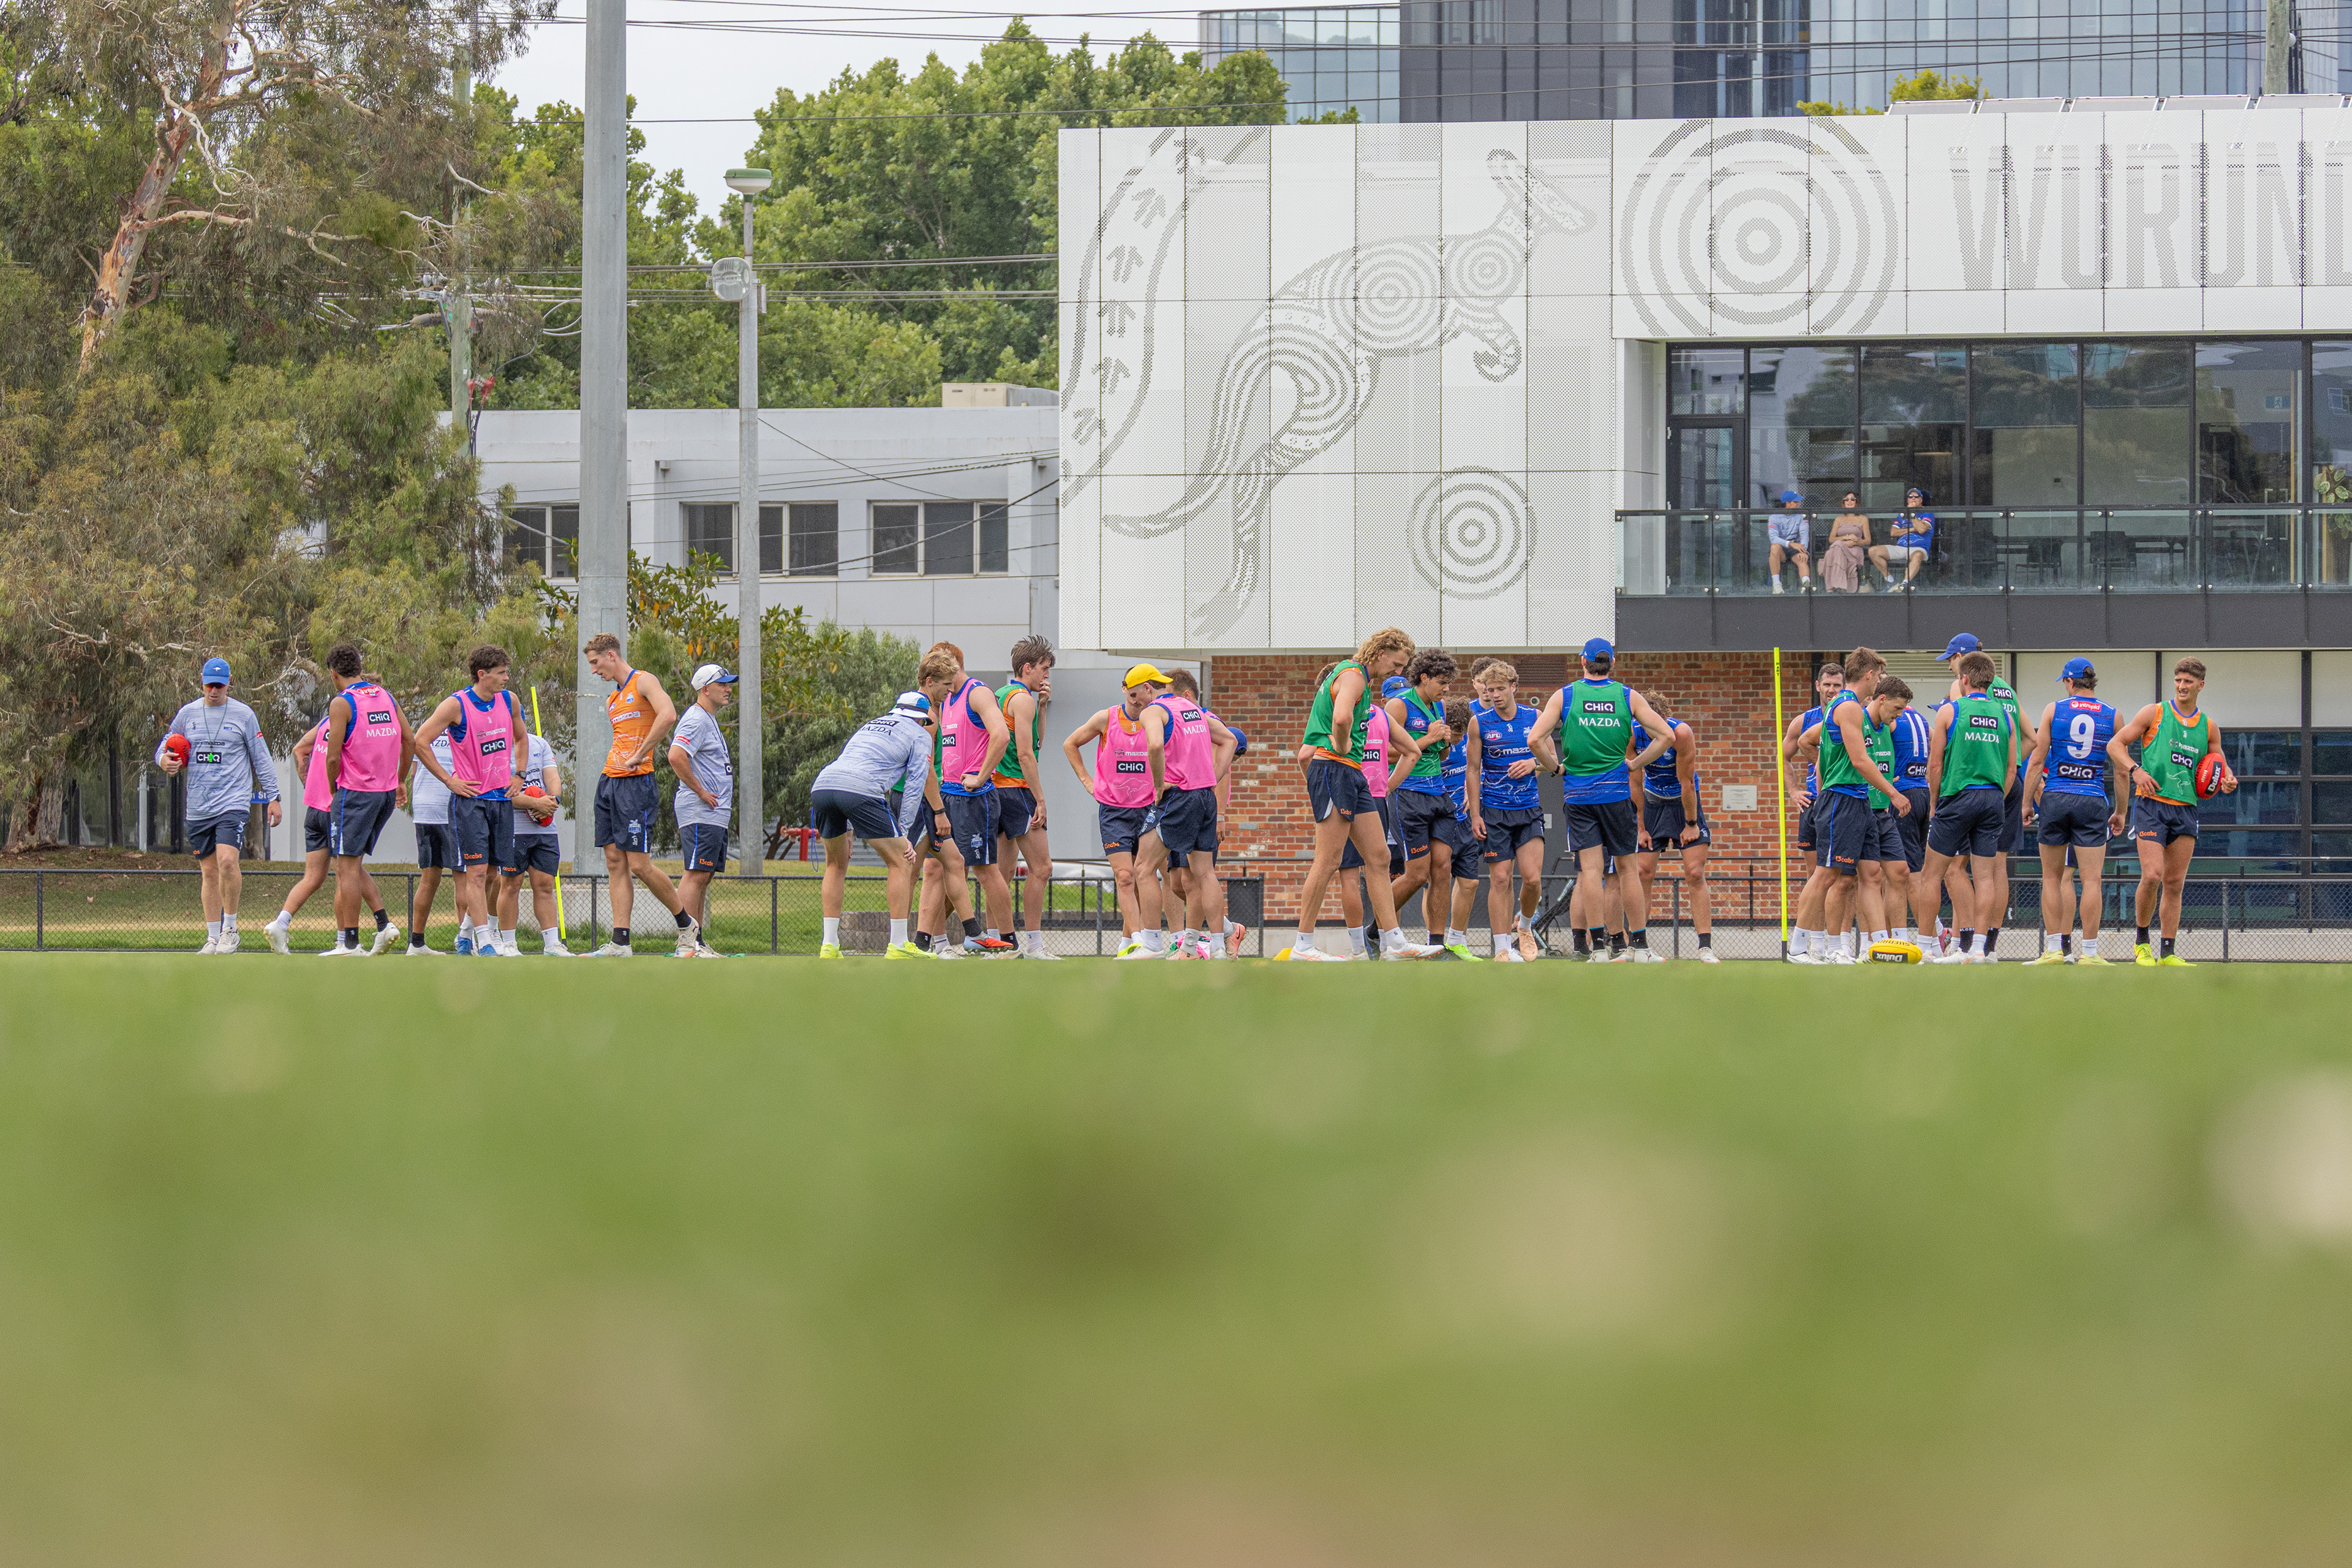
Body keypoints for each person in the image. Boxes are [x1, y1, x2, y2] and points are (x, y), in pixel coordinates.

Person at [1288, 628, 1438, 961]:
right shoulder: (1353, 675)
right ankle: (1303, 945)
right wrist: (1342, 746)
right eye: (1397, 664)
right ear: (1381, 653)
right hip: (1335, 768)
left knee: (1380, 857)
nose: (1398, 671)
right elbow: (1341, 717)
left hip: (1351, 773)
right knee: (1328, 860)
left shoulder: (1362, 682)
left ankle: (1394, 944)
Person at [1532, 638, 1677, 963]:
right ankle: (1639, 947)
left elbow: (1535, 739)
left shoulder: (1565, 696)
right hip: (1616, 795)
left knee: (1591, 872)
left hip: (1578, 796)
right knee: (1628, 870)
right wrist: (1635, 764)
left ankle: (1597, 949)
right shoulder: (1627, 696)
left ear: (1582, 662)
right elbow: (1667, 736)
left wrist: (1556, 768)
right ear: (1612, 663)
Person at [813, 669, 957, 960]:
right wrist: (903, 834)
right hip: (861, 790)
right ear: (921, 718)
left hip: (823, 786)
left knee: (835, 865)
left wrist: (848, 827)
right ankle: (899, 944)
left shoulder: (871, 725)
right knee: (901, 861)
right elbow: (915, 785)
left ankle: (829, 945)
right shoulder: (920, 734)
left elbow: (848, 767)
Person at [2109, 656, 2236, 966]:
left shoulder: (2209, 727)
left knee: (2175, 883)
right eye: (2178, 680)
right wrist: (2136, 770)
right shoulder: (2154, 713)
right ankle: (2142, 943)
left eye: (2188, 681)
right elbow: (2115, 745)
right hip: (2152, 804)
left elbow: (2219, 763)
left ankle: (2168, 952)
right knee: (2152, 875)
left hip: (2186, 809)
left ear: (2200, 685)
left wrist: (2228, 780)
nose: (2181, 686)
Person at [412, 646, 535, 959]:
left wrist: (520, 774)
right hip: (471, 802)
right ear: (483, 675)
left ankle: (465, 934)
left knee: (493, 874)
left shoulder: (510, 701)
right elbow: (420, 741)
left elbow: (522, 738)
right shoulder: (456, 705)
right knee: (477, 873)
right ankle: (486, 941)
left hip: (502, 801)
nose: (507, 678)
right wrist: (448, 780)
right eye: (501, 673)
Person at [155, 656, 282, 954]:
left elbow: (261, 758)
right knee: (210, 872)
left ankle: (230, 930)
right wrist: (164, 760)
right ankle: (213, 937)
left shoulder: (244, 715)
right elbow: (166, 744)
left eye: (220, 686)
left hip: (232, 802)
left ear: (229, 683)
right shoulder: (188, 714)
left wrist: (274, 797)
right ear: (202, 682)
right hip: (199, 806)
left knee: (227, 861)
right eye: (210, 685)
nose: (214, 691)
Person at [581, 633, 698, 957]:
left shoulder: (644, 681)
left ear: (612, 655)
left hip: (637, 784)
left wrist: (640, 753)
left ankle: (686, 924)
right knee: (614, 861)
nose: (594, 670)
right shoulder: (612, 700)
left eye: (596, 662)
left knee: (640, 865)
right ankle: (621, 942)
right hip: (609, 782)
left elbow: (668, 715)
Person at [1802, 649, 1912, 962]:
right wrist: (1820, 791)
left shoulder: (1885, 725)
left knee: (1877, 875)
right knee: (1837, 878)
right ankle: (1824, 945)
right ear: (1871, 678)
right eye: (1897, 708)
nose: (1899, 715)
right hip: (1845, 800)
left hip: (1868, 806)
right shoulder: (1850, 710)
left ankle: (1877, 947)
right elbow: (1816, 745)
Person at [265, 699, 396, 956]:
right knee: (348, 872)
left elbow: (300, 748)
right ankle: (365, 932)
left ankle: (281, 923)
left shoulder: (326, 723)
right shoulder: (354, 725)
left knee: (314, 877)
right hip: (336, 808)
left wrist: (311, 783)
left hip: (313, 810)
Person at [1062, 665, 1173, 957]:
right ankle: (1138, 939)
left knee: (1143, 878)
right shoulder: (1107, 718)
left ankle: (1128, 942)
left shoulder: (1158, 718)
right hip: (1114, 811)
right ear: (1126, 689)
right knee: (1124, 877)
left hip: (1148, 808)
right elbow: (1070, 744)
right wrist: (1088, 782)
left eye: (1141, 694)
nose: (1137, 700)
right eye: (1132, 694)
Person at [1941, 633, 2036, 957]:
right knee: (1997, 866)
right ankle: (1989, 946)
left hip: (1972, 785)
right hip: (2007, 784)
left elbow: (1957, 736)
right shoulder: (2006, 689)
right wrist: (2007, 764)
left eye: (1951, 660)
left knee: (1956, 867)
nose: (1950, 668)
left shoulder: (1962, 686)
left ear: (1962, 659)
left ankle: (1963, 942)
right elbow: (2031, 738)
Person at [314, 644, 412, 957]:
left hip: (355, 794)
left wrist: (333, 789)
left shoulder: (342, 702)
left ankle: (351, 944)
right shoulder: (385, 696)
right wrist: (400, 779)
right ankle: (383, 924)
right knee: (353, 865)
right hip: (384, 795)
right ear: (359, 667)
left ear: (333, 674)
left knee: (345, 869)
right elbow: (409, 739)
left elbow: (332, 758)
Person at [1923, 650, 2019, 964]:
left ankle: (1925, 947)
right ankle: (1979, 948)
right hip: (1993, 799)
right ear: (1989, 680)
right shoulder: (2005, 716)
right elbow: (2011, 769)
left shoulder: (1950, 711)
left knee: (1931, 875)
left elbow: (1935, 765)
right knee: (1986, 877)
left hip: (1957, 797)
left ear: (1964, 678)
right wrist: (1998, 797)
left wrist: (1935, 803)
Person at [2026, 657, 2123, 965]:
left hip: (2056, 796)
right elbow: (2121, 770)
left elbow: (2037, 761)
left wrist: (2027, 803)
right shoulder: (2113, 715)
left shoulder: (2054, 710)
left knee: (2051, 878)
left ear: (2070, 682)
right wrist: (2121, 811)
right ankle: (2090, 953)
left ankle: (2054, 949)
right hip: (2092, 799)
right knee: (2092, 880)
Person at [1143, 667, 1241, 959]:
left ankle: (1161, 945)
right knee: (1188, 879)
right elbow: (1231, 741)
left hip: (1184, 798)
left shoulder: (1166, 711)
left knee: (1147, 869)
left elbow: (1156, 745)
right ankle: (1220, 941)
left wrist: (1160, 785)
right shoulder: (1195, 713)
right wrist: (1210, 780)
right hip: (1201, 798)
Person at [1385, 653, 1478, 959]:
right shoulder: (1399, 706)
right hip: (1408, 794)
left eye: (1449, 683)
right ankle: (1374, 929)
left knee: (1443, 868)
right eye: (1442, 682)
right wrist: (1428, 738)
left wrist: (1445, 743)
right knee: (1417, 875)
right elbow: (1386, 753)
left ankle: (1437, 945)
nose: (1447, 689)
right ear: (1424, 678)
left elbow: (1440, 756)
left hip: (1439, 794)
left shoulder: (1439, 706)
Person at [934, 646, 1018, 951]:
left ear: (954, 664)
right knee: (938, 870)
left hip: (974, 799)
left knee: (985, 870)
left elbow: (1002, 735)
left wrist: (981, 777)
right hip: (948, 797)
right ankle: (934, 942)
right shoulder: (946, 699)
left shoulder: (977, 692)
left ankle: (1009, 942)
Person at [1331, 675, 1421, 959]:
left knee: (1351, 876)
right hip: (1376, 799)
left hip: (1345, 796)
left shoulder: (1337, 713)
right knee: (1379, 871)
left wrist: (1322, 792)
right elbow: (1413, 751)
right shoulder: (1381, 716)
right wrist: (1387, 786)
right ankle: (1388, 944)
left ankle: (1360, 948)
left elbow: (1306, 755)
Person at [1463, 660, 1545, 961]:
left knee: (1532, 879)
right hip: (1495, 811)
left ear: (1514, 687)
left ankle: (1524, 926)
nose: (1494, 695)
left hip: (1528, 809)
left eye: (1500, 689)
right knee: (1500, 879)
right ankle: (1501, 949)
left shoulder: (1535, 717)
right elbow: (1473, 770)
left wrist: (1533, 763)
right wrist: (1476, 815)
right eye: (1489, 690)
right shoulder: (1479, 723)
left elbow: (1552, 760)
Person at [1629, 695, 1716, 962]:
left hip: (1684, 801)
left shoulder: (1681, 733)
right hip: (1652, 801)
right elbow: (1634, 781)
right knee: (1642, 872)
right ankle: (1637, 944)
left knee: (1694, 872)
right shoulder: (1632, 734)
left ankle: (1705, 947)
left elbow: (1686, 781)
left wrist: (1691, 824)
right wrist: (1640, 827)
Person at [990, 636, 1059, 959]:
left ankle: (998, 944)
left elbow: (1036, 743)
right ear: (1027, 667)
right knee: (1042, 867)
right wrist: (1040, 799)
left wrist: (1043, 706)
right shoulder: (1022, 699)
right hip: (1016, 789)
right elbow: (1026, 754)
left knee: (1000, 874)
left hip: (994, 789)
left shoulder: (1000, 695)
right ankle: (1034, 945)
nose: (1047, 676)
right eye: (1044, 669)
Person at [663, 664, 737, 959]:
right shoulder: (696, 719)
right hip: (699, 810)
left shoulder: (709, 719)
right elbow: (676, 756)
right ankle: (687, 943)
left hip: (714, 814)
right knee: (695, 873)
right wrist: (701, 791)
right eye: (723, 684)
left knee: (704, 875)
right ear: (705, 689)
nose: (728, 689)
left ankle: (698, 942)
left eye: (729, 684)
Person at [1782, 660, 1845, 962]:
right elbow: (1784, 756)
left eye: (1837, 685)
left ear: (1844, 687)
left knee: (1844, 879)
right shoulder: (1804, 720)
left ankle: (1839, 944)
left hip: (1843, 801)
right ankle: (1816, 944)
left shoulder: (1850, 713)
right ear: (1818, 686)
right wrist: (1794, 791)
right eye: (1827, 685)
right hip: (1814, 803)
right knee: (1816, 876)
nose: (1832, 690)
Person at [499, 718, 571, 956]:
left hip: (544, 829)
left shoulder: (539, 744)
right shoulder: (497, 745)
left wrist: (553, 800)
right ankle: (509, 944)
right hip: (512, 828)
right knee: (511, 885)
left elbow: (552, 777)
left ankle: (552, 945)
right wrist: (534, 803)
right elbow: (501, 793)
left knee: (545, 886)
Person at [406, 730, 462, 954]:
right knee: (464, 878)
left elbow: (414, 774)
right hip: (450, 808)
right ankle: (466, 941)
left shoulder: (425, 732)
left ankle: (416, 943)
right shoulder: (464, 729)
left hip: (423, 809)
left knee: (429, 880)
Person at [1888, 690, 1936, 948]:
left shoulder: (1892, 720)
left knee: (1909, 875)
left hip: (1902, 795)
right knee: (1904, 874)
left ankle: (1932, 940)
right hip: (1923, 794)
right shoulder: (1921, 719)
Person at [1871, 486, 1936, 590]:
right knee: (1873, 551)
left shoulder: (1927, 512)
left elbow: (1921, 529)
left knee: (1918, 556)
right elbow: (1893, 532)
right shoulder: (1902, 514)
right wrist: (1913, 529)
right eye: (1910, 497)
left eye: (1916, 496)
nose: (1913, 498)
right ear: (1908, 500)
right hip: (1901, 547)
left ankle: (1905, 584)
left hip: (1918, 547)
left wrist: (1912, 514)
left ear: (1921, 500)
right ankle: (1891, 582)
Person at [1822, 492, 1871, 593]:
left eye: (1852, 499)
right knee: (1836, 548)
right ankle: (1838, 585)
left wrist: (1855, 543)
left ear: (1857, 502)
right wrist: (1846, 537)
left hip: (1854, 549)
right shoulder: (1839, 519)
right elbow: (1831, 539)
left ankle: (1833, 587)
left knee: (1834, 549)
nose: (1849, 501)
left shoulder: (1863, 519)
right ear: (1843, 502)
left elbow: (1868, 540)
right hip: (1839, 548)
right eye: (1846, 499)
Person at [1768, 490, 1814, 595]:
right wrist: (1791, 544)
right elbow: (1773, 538)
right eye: (1796, 502)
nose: (1799, 504)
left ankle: (1806, 583)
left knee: (1802, 558)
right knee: (1774, 547)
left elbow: (1804, 535)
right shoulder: (1774, 517)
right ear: (1788, 504)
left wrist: (1804, 550)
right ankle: (1777, 585)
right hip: (1782, 549)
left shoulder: (1801, 516)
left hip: (1796, 549)